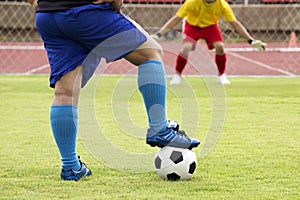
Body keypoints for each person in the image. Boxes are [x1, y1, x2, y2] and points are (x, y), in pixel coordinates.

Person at [27, 0, 200, 181]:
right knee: (151, 53)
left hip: (47, 16)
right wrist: (116, 5)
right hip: (85, 11)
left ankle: (70, 166)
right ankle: (159, 128)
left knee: (65, 92)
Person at [152, 0, 266, 85]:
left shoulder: (222, 5)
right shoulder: (192, 2)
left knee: (220, 47)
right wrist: (159, 34)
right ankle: (177, 75)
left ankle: (222, 75)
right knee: (185, 48)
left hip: (210, 27)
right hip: (192, 26)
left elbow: (235, 23)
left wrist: (251, 40)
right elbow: (176, 18)